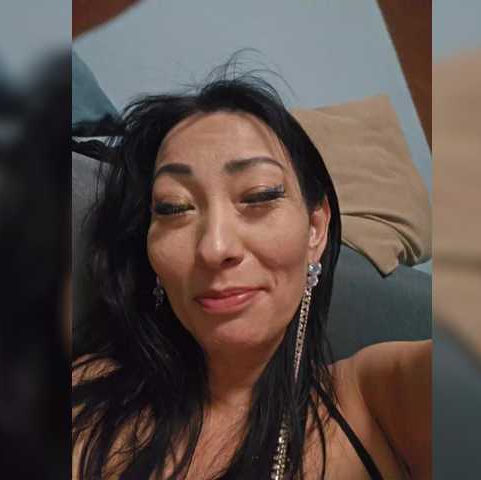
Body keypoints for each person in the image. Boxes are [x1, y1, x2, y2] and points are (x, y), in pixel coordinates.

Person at [72, 73, 431, 480]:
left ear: (315, 230)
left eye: (259, 196)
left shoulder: (375, 404)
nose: (215, 247)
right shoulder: (84, 399)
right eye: (174, 207)